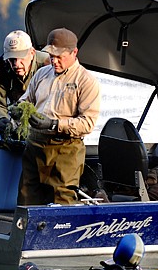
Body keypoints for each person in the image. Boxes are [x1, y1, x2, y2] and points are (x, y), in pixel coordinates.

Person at [17, 28, 100, 205]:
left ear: (74, 52)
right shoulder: (41, 74)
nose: (54, 61)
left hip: (65, 150)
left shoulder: (86, 81)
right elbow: (26, 99)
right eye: (51, 56)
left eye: (59, 56)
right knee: (26, 199)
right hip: (35, 147)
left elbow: (87, 123)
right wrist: (19, 109)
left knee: (61, 202)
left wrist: (54, 124)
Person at [0, 30, 50, 138]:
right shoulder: (0, 69)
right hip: (17, 120)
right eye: (12, 59)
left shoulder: (49, 65)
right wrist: (1, 119)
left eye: (21, 58)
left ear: (32, 52)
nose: (16, 64)